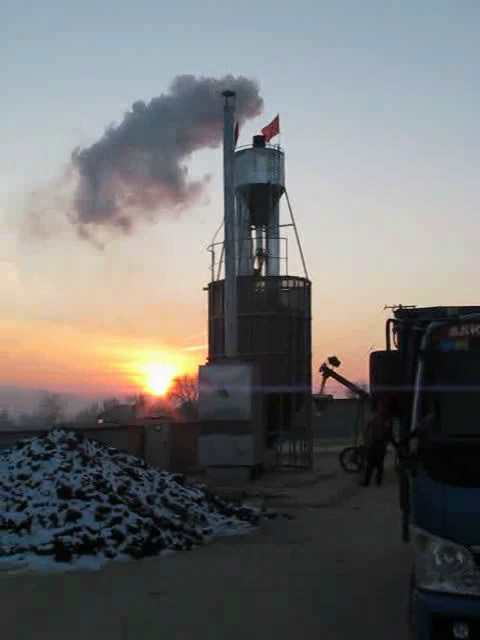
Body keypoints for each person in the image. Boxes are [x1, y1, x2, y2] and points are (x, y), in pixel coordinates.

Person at [363, 399, 392, 487]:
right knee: (370, 463)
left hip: (380, 442)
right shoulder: (373, 418)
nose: (381, 408)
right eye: (380, 406)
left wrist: (386, 441)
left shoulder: (385, 419)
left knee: (379, 464)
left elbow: (387, 432)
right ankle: (367, 482)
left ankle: (378, 482)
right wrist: (367, 440)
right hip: (373, 442)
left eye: (382, 406)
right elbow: (367, 430)